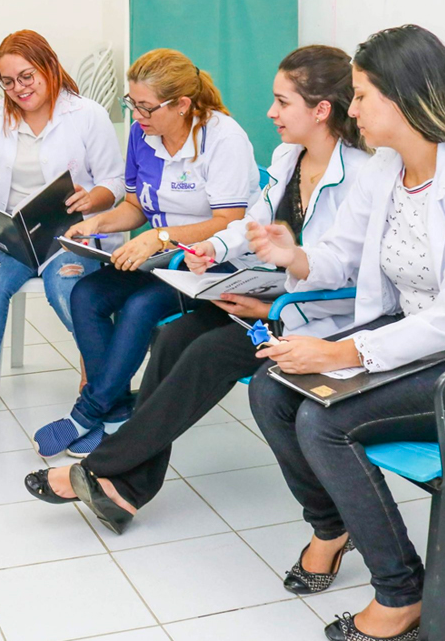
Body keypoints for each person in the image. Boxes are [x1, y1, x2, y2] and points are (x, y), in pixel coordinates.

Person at [246, 25, 445, 641]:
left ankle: (402, 595)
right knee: (271, 388)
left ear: (404, 97)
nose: (352, 110)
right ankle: (332, 527)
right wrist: (294, 255)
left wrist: (339, 351)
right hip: (417, 347)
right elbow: (340, 255)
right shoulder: (385, 171)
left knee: (324, 423)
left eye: (361, 95)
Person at [28, 46, 371, 544]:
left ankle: (100, 468)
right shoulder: (288, 158)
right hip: (272, 296)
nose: (270, 113)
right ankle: (125, 490)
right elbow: (250, 224)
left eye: (281, 102)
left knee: (206, 352)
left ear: (320, 110)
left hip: (315, 318)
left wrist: (268, 304)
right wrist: (212, 248)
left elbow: (348, 276)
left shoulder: (361, 176)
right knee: (173, 340)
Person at [33, 49, 258, 457]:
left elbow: (229, 220)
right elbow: (136, 207)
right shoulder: (142, 134)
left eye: (146, 107)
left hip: (215, 261)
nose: (137, 116)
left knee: (140, 306)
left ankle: (88, 412)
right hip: (162, 256)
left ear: (182, 104)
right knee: (87, 294)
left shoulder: (224, 139)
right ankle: (117, 410)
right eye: (132, 103)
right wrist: (97, 223)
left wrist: (161, 237)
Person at [0, 30, 125, 429]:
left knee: (67, 286)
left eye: (26, 76)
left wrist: (92, 199)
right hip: (12, 236)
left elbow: (115, 181)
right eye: (8, 81)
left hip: (70, 235)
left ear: (49, 66)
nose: (19, 88)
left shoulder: (87, 114)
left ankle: (95, 377)